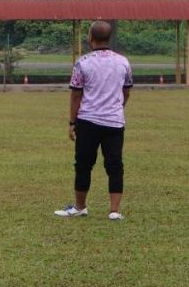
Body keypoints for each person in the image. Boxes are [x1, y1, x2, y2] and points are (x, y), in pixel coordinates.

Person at [55, 20, 132, 220]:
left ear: (90, 38)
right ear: (109, 38)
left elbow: (76, 95)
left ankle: (80, 207)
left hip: (88, 121)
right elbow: (126, 91)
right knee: (115, 165)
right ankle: (114, 211)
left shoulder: (83, 62)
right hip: (114, 122)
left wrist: (72, 122)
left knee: (83, 164)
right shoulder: (123, 62)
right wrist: (116, 108)